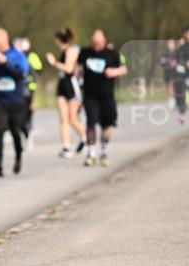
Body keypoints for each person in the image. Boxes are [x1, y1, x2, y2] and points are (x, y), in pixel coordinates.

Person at [0, 29, 30, 177]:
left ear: (6, 40)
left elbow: (21, 73)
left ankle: (18, 156)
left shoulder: (17, 54)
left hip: (15, 100)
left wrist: (5, 62)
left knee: (15, 130)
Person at [78, 29, 127, 167]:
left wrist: (114, 71)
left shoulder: (113, 54)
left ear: (104, 41)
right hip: (90, 96)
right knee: (91, 124)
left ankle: (104, 151)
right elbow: (77, 68)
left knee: (108, 127)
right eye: (94, 42)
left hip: (107, 97)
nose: (96, 45)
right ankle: (91, 154)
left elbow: (124, 69)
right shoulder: (85, 52)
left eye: (98, 42)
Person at [45, 27, 85, 158]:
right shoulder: (63, 51)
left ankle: (85, 138)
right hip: (62, 85)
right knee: (63, 118)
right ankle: (66, 147)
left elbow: (68, 69)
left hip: (71, 85)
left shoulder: (72, 50)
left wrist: (54, 62)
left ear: (59, 39)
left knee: (72, 119)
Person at [14, 37, 43, 150]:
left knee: (28, 113)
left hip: (29, 88)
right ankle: (23, 132)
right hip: (17, 89)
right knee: (18, 114)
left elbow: (38, 69)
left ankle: (28, 134)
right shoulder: (14, 56)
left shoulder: (31, 56)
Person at [174, 27, 189, 125]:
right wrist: (185, 63)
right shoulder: (182, 48)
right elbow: (179, 60)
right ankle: (182, 112)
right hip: (185, 74)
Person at [159, 39, 179, 111]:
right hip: (167, 71)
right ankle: (172, 98)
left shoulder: (177, 52)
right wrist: (170, 62)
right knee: (168, 86)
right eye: (170, 43)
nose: (171, 45)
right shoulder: (164, 53)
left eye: (172, 43)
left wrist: (169, 62)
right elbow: (162, 62)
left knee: (172, 85)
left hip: (174, 72)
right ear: (168, 44)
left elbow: (177, 62)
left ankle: (173, 100)